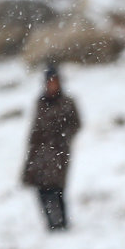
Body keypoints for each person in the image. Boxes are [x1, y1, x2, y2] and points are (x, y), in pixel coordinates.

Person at [22, 63, 81, 232]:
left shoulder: (67, 103)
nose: (52, 85)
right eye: (49, 81)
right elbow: (35, 127)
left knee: (57, 189)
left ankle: (62, 222)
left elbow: (76, 124)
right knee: (41, 189)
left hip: (58, 152)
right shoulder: (41, 102)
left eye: (55, 81)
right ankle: (50, 223)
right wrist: (32, 149)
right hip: (39, 152)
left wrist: (63, 138)